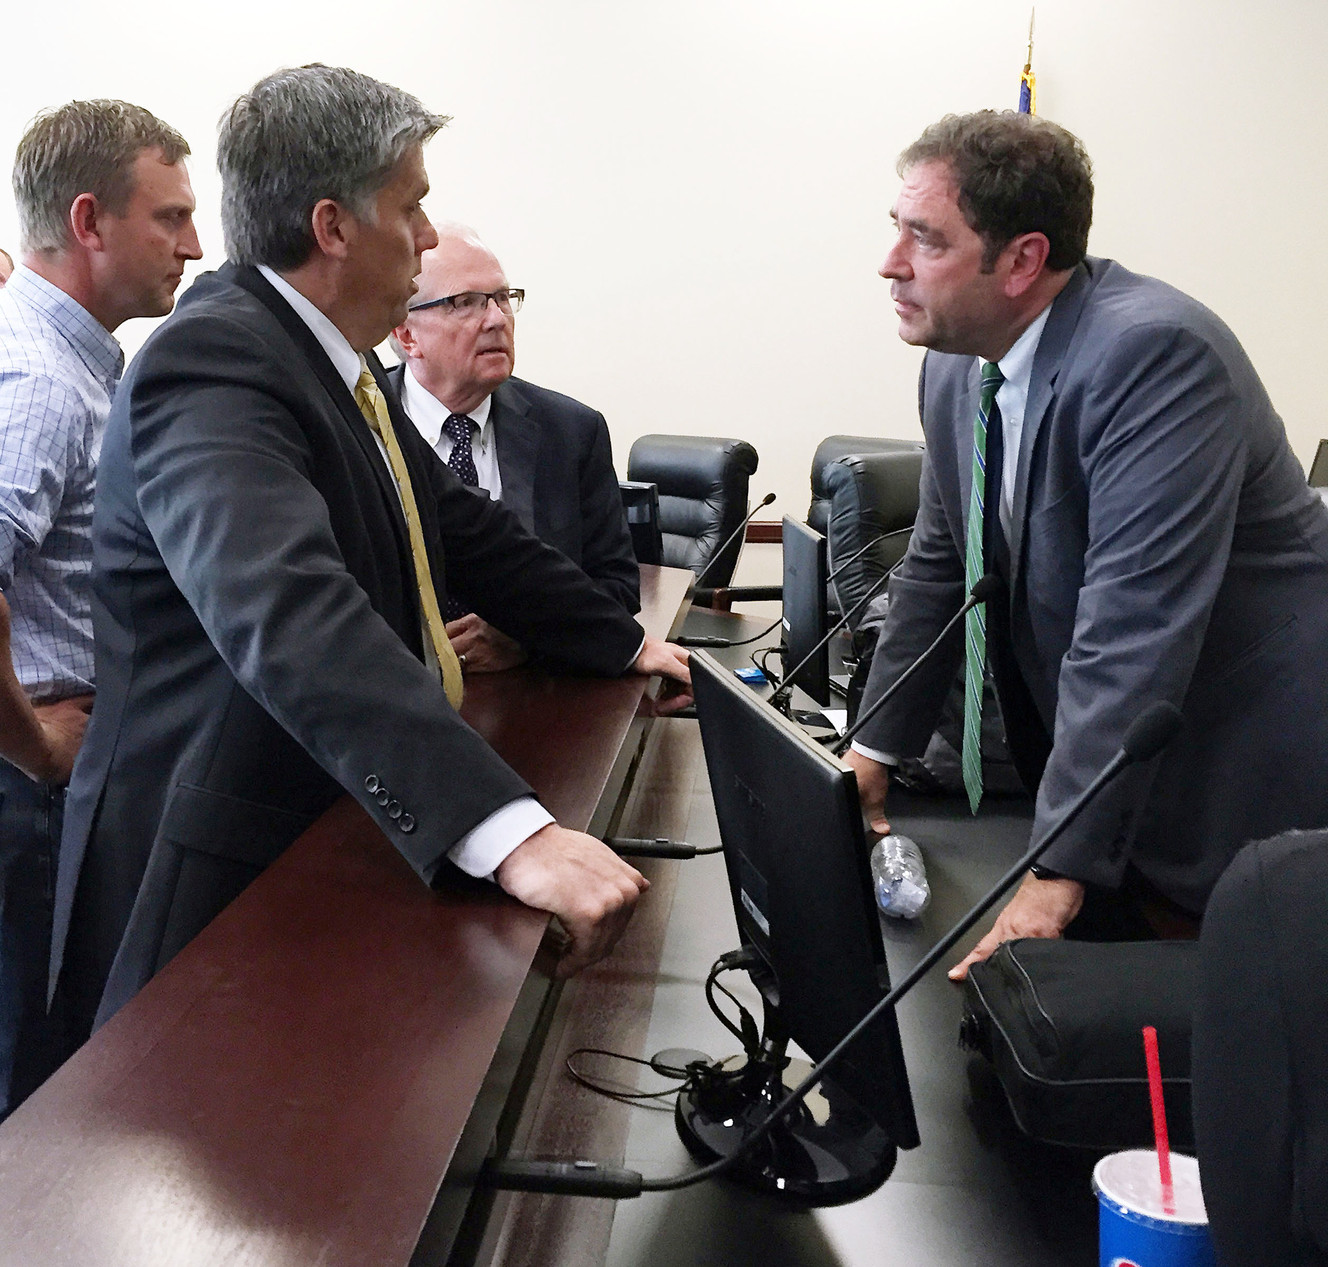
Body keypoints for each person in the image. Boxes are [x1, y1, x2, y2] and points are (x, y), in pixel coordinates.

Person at [48, 65, 691, 1058]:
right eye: (413, 204)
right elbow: (288, 609)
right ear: (335, 226)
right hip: (215, 875)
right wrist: (509, 832)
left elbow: (460, 529)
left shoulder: (321, 359)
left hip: (319, 836)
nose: (427, 236)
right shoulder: (212, 360)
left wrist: (619, 641)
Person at [844, 109, 1328, 980]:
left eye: (926, 238)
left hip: (1238, 780)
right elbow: (941, 564)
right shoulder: (956, 364)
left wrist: (1057, 865)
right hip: (1123, 783)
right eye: (897, 229)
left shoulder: (1156, 355)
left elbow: (1131, 633)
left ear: (1024, 259)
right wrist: (870, 756)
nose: (891, 262)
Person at [0, 99, 200, 1112]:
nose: (193, 246)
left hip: (50, 777)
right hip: (26, 790)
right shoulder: (35, 376)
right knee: (33, 1095)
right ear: (89, 221)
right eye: (169, 218)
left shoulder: (74, 361)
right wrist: (33, 744)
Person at [387, 227, 640, 674]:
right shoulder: (362, 423)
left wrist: (525, 637)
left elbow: (617, 588)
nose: (497, 319)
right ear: (407, 335)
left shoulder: (571, 431)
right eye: (465, 302)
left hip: (530, 704)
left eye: (503, 298)